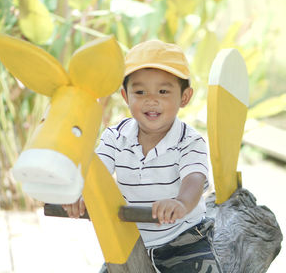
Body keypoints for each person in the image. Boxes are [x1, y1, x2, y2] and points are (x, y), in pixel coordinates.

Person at [62, 40, 222, 272]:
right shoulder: (114, 137)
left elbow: (194, 179)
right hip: (130, 239)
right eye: (140, 91)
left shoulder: (190, 141)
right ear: (126, 96)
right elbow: (95, 174)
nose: (151, 99)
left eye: (163, 91)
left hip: (182, 240)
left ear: (184, 97)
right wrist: (79, 193)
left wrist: (180, 202)